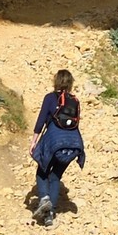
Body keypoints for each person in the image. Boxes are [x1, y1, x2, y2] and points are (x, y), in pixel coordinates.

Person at [29, 67, 85, 225]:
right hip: (73, 144)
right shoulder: (74, 101)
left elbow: (41, 121)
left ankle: (45, 198)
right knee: (55, 177)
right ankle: (49, 215)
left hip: (54, 141)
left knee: (42, 172)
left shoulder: (50, 98)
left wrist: (34, 141)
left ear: (56, 81)